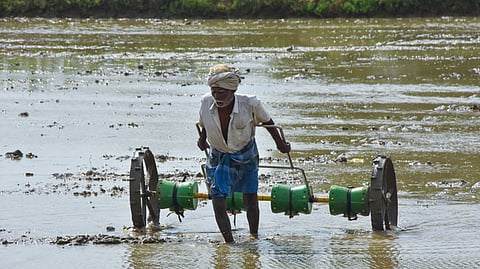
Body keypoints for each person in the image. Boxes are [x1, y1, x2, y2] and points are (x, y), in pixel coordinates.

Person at [197, 64, 291, 243]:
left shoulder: (250, 103)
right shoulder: (206, 102)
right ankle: (229, 242)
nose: (217, 97)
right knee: (217, 197)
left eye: (221, 93)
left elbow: (268, 123)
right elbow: (204, 122)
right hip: (219, 155)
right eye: (214, 91)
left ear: (232, 90)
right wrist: (202, 139)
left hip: (244, 154)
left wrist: (280, 143)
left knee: (250, 196)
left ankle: (254, 235)